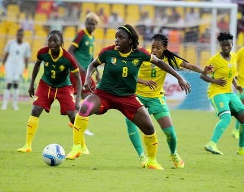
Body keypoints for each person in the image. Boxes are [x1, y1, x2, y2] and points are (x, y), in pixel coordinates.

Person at [65, 24, 191, 170]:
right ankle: (77, 147)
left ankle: (151, 161)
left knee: (149, 128)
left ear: (130, 40)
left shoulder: (140, 53)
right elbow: (93, 64)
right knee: (84, 108)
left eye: (121, 37)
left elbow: (161, 63)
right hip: (104, 94)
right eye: (116, 37)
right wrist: (88, 78)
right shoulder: (108, 52)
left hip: (127, 97)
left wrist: (179, 78)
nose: (117, 40)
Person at [125, 33, 213, 168]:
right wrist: (143, 81)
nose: (154, 50)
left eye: (158, 48)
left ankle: (173, 153)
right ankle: (142, 156)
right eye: (153, 47)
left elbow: (190, 66)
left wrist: (204, 71)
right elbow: (127, 73)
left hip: (156, 97)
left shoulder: (169, 58)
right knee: (131, 124)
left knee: (170, 132)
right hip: (137, 96)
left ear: (165, 48)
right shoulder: (143, 55)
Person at [17, 30, 82, 153]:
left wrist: (78, 99)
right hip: (46, 85)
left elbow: (78, 77)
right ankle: (27, 145)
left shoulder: (68, 58)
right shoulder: (42, 52)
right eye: (50, 41)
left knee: (73, 115)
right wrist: (32, 85)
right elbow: (36, 65)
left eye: (55, 41)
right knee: (35, 110)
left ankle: (80, 146)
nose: (52, 43)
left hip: (64, 87)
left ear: (61, 42)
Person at [200, 32, 244, 156]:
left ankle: (241, 149)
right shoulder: (215, 60)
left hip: (229, 92)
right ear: (220, 45)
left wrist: (236, 85)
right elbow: (202, 75)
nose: (226, 47)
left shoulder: (233, 57)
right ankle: (211, 144)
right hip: (216, 92)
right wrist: (215, 80)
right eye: (223, 45)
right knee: (226, 117)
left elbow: (231, 74)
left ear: (232, 44)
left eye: (228, 45)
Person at [68, 12, 100, 136]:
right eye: (88, 23)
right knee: (88, 96)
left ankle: (76, 121)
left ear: (96, 25)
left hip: (86, 72)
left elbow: (90, 56)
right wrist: (78, 67)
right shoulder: (81, 34)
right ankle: (80, 125)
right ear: (85, 23)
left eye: (93, 24)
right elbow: (70, 50)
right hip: (79, 71)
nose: (90, 26)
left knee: (88, 96)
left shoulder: (92, 38)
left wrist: (97, 71)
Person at [1, 28, 31, 110]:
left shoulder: (26, 45)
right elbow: (6, 54)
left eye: (21, 35)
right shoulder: (11, 43)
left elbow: (27, 58)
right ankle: (4, 104)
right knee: (8, 84)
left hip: (19, 66)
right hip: (10, 65)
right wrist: (3, 65)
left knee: (16, 85)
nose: (19, 36)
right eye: (18, 34)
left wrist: (26, 69)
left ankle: (15, 105)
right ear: (16, 35)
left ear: (23, 36)